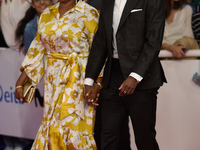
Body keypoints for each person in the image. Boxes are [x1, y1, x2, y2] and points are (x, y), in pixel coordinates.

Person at [15, 0, 99, 149]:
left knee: (73, 127)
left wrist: (97, 83)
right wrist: (21, 82)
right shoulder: (47, 13)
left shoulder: (89, 13)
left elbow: (100, 51)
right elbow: (38, 49)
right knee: (52, 125)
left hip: (78, 81)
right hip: (52, 81)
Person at [84, 0, 166, 150]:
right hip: (112, 75)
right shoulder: (107, 2)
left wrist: (135, 76)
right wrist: (89, 80)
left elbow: (153, 42)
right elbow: (101, 41)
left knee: (144, 138)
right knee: (108, 135)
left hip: (142, 77)